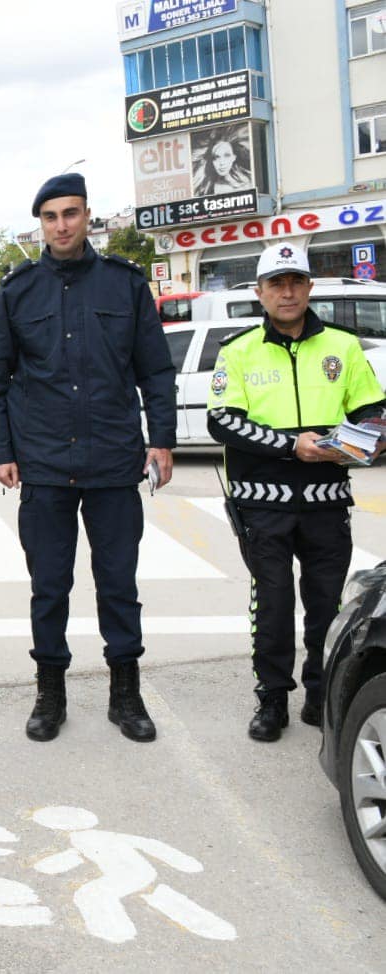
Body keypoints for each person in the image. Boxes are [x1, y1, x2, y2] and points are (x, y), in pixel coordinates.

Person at [0, 173, 177, 744]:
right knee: (49, 586)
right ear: (39, 225)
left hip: (114, 462)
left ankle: (125, 694)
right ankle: (50, 693)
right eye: (50, 217)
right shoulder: (17, 291)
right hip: (44, 465)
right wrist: (0, 453)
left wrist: (161, 439)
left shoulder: (124, 284)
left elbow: (155, 370)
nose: (61, 225)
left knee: (118, 584)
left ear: (88, 215)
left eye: (70, 213)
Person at [206, 242, 385, 741]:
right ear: (260, 293)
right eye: (276, 284)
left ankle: (320, 694)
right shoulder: (238, 350)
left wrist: (371, 436)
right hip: (262, 507)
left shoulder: (343, 347)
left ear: (309, 288)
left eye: (296, 282)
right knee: (274, 605)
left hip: (327, 504)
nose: (287, 293)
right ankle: (271, 700)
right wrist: (291, 446)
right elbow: (223, 422)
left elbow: (372, 410)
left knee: (328, 606)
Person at [192, 130, 252, 197]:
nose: (222, 163)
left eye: (227, 155)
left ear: (234, 157)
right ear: (211, 161)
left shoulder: (246, 184)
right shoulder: (207, 188)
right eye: (216, 157)